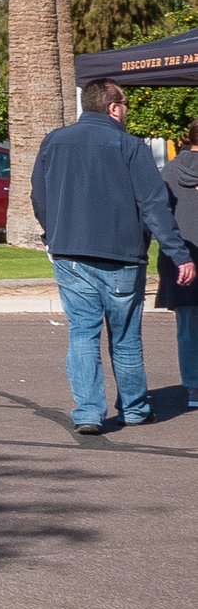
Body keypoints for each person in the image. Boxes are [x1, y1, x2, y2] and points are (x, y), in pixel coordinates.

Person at [29, 79, 196, 438]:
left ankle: (89, 411)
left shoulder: (54, 141)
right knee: (125, 337)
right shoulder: (129, 146)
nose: (127, 111)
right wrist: (178, 254)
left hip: (70, 252)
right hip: (121, 255)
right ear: (113, 107)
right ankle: (134, 408)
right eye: (126, 105)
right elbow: (154, 205)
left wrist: (52, 232)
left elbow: (38, 196)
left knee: (83, 333)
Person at [161, 122, 198, 407]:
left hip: (180, 255)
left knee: (187, 326)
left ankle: (193, 387)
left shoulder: (170, 171)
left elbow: (157, 212)